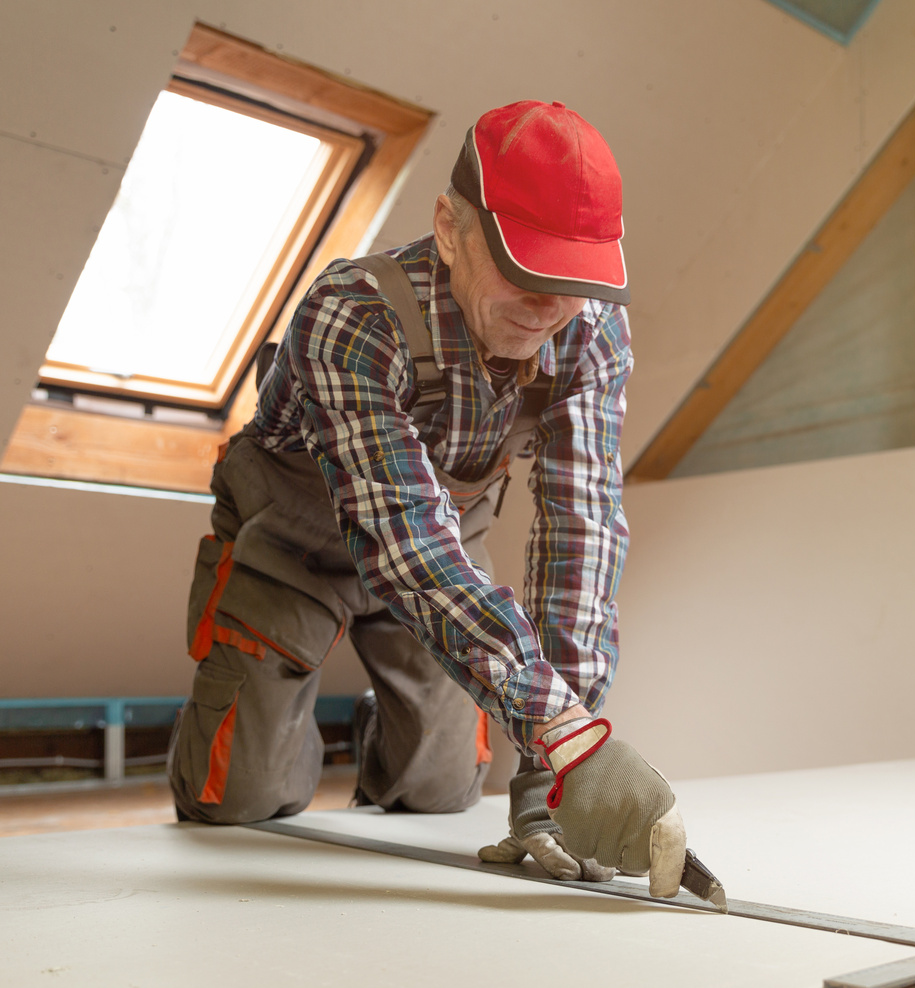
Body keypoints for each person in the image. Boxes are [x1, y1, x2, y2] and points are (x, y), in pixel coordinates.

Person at [168, 100, 688, 897]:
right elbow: (404, 545)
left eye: (571, 284)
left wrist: (557, 767)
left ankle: (392, 726)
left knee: (440, 793)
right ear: (450, 228)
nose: (547, 309)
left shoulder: (590, 332)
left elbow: (580, 531)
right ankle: (282, 713)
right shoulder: (351, 314)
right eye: (524, 272)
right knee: (241, 803)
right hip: (296, 542)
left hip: (444, 549)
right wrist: (559, 728)